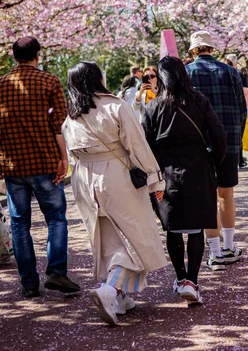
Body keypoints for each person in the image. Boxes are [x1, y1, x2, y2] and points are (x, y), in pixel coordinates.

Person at [61, 62, 168, 326]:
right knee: (135, 235)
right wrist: (155, 180)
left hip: (84, 179)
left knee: (107, 239)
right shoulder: (116, 106)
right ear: (98, 79)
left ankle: (119, 297)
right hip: (117, 176)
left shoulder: (71, 116)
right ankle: (109, 290)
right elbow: (137, 144)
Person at [143, 56, 227, 305]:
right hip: (198, 169)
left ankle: (180, 279)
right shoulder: (199, 101)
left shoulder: (152, 106)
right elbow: (219, 136)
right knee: (196, 227)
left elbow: (144, 145)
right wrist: (213, 160)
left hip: (165, 174)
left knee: (173, 227)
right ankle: (192, 280)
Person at [0, 36, 80, 298]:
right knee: (56, 218)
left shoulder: (1, 85)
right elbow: (58, 124)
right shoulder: (49, 81)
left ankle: (29, 283)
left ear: (14, 57)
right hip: (45, 161)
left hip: (13, 166)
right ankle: (56, 271)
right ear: (38, 55)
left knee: (20, 223)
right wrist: (64, 158)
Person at [185, 30, 246, 270]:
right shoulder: (231, 72)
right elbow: (242, 110)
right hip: (228, 141)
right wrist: (237, 139)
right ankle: (230, 245)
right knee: (226, 193)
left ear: (193, 50)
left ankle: (215, 252)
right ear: (212, 48)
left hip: (199, 144)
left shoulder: (187, 73)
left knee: (207, 196)